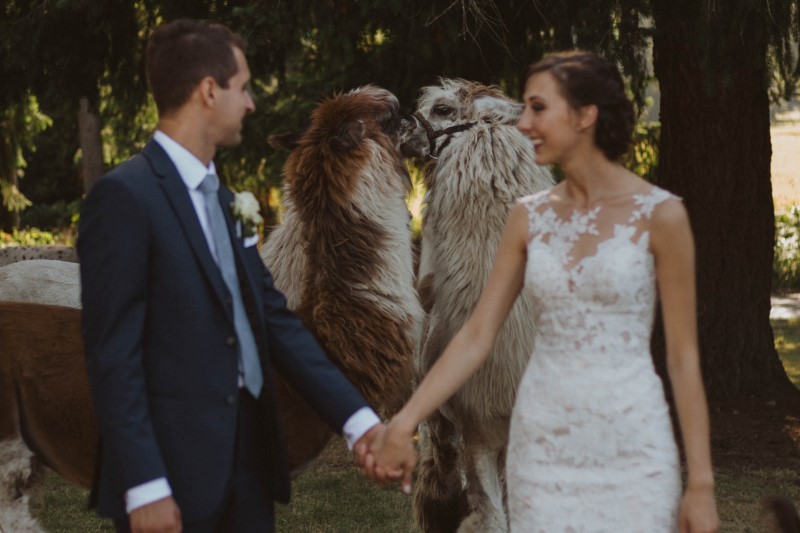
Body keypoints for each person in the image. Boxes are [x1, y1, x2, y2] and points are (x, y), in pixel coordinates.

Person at [365, 51, 720, 532]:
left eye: (537, 108)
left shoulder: (662, 216)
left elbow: (682, 359)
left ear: (584, 116)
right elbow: (477, 335)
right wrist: (408, 419)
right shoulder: (527, 217)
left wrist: (700, 482)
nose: (520, 122)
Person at [78, 19, 400, 533]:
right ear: (209, 91)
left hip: (249, 465)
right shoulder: (123, 199)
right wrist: (145, 485)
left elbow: (273, 321)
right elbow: (114, 356)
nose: (251, 103)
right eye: (243, 88)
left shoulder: (229, 203)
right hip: (171, 480)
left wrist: (360, 422)